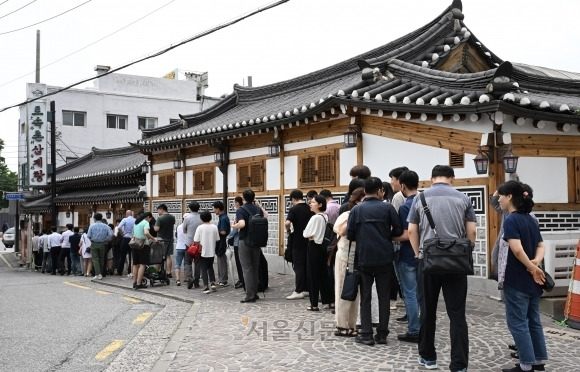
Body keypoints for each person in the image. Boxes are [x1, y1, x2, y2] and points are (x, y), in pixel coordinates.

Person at [407, 165, 476, 371]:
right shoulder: (463, 199)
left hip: (428, 261)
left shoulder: (420, 198)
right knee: (457, 314)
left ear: (431, 179)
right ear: (452, 179)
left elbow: (411, 230)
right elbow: (471, 231)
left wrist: (418, 254)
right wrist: (465, 251)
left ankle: (428, 357)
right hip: (456, 263)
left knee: (427, 310)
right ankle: (459, 364)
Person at [497, 181, 547, 372]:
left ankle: (526, 365)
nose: (499, 199)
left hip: (517, 278)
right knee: (533, 321)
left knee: (517, 322)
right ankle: (538, 361)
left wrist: (531, 267)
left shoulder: (511, 220)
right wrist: (535, 263)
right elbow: (541, 245)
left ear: (509, 196)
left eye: (501, 195)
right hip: (533, 282)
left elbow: (516, 250)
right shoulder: (530, 219)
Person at [347, 176, 403, 346]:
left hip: (364, 258)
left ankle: (366, 333)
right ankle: (382, 333)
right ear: (380, 191)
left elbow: (350, 234)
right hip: (385, 257)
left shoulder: (357, 210)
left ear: (364, 191)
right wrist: (385, 235)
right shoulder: (387, 208)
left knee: (365, 296)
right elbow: (399, 229)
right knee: (384, 296)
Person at [392, 170, 420, 343]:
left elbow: (407, 234)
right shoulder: (426, 201)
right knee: (422, 294)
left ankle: (414, 329)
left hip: (408, 254)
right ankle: (424, 326)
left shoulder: (405, 206)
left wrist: (389, 236)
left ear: (402, 185)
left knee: (410, 293)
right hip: (426, 254)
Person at [333, 187, 365, 337]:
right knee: (342, 290)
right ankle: (341, 325)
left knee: (355, 292)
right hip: (345, 257)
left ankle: (352, 325)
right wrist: (354, 215)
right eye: (363, 200)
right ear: (357, 201)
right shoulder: (347, 214)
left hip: (359, 257)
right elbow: (340, 230)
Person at [232, 189, 264, 303]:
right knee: (255, 268)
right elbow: (265, 217)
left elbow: (242, 224)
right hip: (256, 241)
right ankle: (255, 293)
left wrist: (235, 225)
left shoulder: (241, 210)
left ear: (243, 198)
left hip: (244, 240)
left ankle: (249, 295)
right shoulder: (257, 209)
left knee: (246, 268)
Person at [303, 194, 334, 311]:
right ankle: (330, 301)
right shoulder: (325, 216)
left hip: (314, 246)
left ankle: (314, 303)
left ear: (320, 204)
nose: (311, 204)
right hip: (322, 248)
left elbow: (307, 234)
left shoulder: (315, 217)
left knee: (313, 276)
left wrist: (305, 232)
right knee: (323, 275)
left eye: (313, 202)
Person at [285, 189, 314, 300]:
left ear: (293, 199)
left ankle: (298, 290)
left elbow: (287, 223)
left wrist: (288, 231)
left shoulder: (294, 209)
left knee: (298, 266)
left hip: (298, 240)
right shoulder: (310, 208)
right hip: (309, 240)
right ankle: (307, 289)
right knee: (307, 265)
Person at [193, 210, 220, 294]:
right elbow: (217, 239)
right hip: (211, 250)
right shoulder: (214, 227)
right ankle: (212, 283)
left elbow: (196, 240)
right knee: (210, 267)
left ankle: (206, 286)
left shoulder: (200, 227)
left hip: (202, 251)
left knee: (203, 268)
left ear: (201, 218)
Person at [132, 212, 158, 289]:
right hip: (143, 245)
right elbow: (146, 232)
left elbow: (133, 234)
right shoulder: (145, 223)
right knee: (142, 264)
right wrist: (153, 239)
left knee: (135, 265)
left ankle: (134, 282)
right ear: (148, 217)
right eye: (150, 219)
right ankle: (139, 283)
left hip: (135, 244)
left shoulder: (136, 222)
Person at [86, 212, 113, 280]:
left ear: (94, 218)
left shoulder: (92, 226)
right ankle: (100, 273)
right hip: (102, 243)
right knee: (101, 259)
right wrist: (105, 240)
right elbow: (110, 235)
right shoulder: (106, 226)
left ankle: (98, 274)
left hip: (94, 243)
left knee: (95, 259)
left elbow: (88, 235)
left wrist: (92, 238)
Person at [183, 201, 203, 289]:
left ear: (190, 208)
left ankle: (190, 277)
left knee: (187, 262)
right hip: (199, 243)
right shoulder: (202, 217)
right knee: (198, 262)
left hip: (189, 243)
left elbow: (184, 230)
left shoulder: (187, 218)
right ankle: (197, 280)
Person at [154, 204, 176, 277]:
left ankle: (155, 272)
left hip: (161, 239)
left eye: (158, 210)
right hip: (170, 239)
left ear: (162, 209)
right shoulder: (172, 218)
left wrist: (154, 227)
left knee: (159, 256)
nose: (158, 212)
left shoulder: (160, 218)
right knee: (168, 256)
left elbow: (156, 229)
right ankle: (168, 272)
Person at [227, 196, 244, 289]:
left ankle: (241, 280)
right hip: (244, 240)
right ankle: (242, 279)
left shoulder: (239, 212)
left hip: (238, 241)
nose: (233, 204)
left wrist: (229, 236)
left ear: (237, 203)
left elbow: (235, 229)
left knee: (239, 262)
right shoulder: (245, 211)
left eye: (234, 202)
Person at [213, 201, 231, 287]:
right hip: (221, 242)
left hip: (222, 242)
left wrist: (215, 231)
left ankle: (223, 280)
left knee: (222, 261)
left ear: (218, 209)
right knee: (220, 260)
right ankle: (221, 279)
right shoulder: (222, 217)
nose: (214, 211)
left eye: (214, 209)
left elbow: (223, 232)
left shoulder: (223, 218)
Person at [117, 210, 135, 276]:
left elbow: (119, 227)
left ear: (126, 214)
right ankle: (130, 271)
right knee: (131, 256)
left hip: (125, 238)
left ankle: (119, 271)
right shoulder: (135, 220)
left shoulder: (125, 219)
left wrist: (122, 234)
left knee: (122, 255)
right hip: (132, 239)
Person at [174, 213, 190, 286]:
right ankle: (185, 279)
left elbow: (176, 235)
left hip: (179, 246)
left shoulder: (178, 226)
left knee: (177, 264)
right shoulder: (190, 227)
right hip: (187, 247)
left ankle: (177, 279)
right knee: (186, 264)